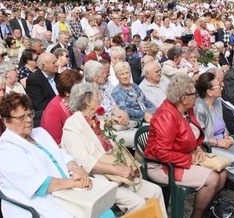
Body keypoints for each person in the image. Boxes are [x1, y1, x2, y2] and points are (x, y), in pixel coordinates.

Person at [62, 82, 166, 215]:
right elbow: (85, 162)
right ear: (87, 101)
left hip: (117, 174)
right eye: (97, 96)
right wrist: (118, 170)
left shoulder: (97, 119)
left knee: (155, 191)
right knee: (138, 203)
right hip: (99, 179)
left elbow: (114, 144)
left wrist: (127, 165)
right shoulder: (72, 125)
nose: (101, 98)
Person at [0, 92, 96, 218]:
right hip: (39, 205)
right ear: (6, 121)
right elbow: (39, 185)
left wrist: (77, 168)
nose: (29, 120)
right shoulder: (5, 149)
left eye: (30, 114)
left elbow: (61, 155)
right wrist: (75, 183)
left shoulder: (39, 133)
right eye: (21, 117)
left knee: (104, 211)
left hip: (66, 192)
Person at [145, 75, 226, 218]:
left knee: (223, 173)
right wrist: (190, 159)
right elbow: (162, 153)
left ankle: (205, 212)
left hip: (182, 157)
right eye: (194, 94)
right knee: (213, 178)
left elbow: (192, 135)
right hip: (162, 166)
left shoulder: (187, 109)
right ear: (184, 98)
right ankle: (197, 215)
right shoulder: (167, 116)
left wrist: (198, 148)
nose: (197, 96)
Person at [194, 72, 234, 214]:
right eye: (218, 86)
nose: (222, 87)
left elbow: (222, 124)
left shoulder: (217, 102)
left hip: (222, 141)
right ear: (209, 92)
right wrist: (218, 142)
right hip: (209, 147)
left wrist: (227, 136)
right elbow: (199, 137)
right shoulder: (199, 107)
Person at [41, 69, 83, 144]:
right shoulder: (53, 110)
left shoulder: (77, 102)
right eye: (79, 89)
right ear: (67, 92)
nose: (83, 91)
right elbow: (56, 142)